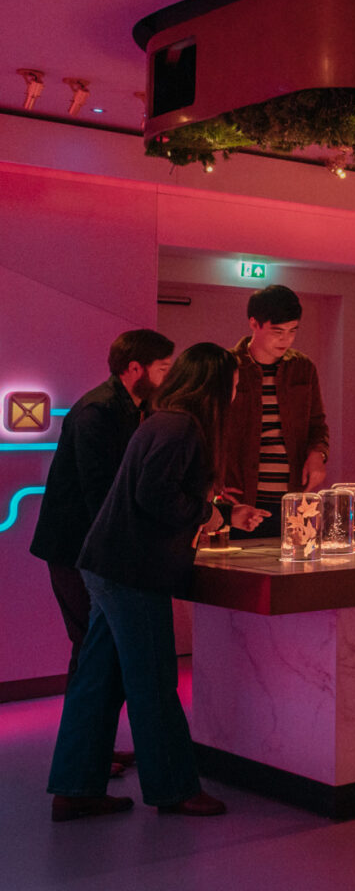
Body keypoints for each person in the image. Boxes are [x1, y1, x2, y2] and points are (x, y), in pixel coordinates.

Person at [47, 343, 265, 822]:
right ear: (214, 385)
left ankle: (75, 788)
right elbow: (155, 496)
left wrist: (221, 512)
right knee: (154, 682)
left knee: (98, 682)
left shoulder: (165, 420)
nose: (236, 392)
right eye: (233, 384)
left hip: (108, 563)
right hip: (132, 570)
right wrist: (206, 513)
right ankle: (174, 788)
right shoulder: (183, 427)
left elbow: (155, 490)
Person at [30, 329, 174, 777]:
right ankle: (86, 758)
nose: (168, 377)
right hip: (78, 550)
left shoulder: (126, 408)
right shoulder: (99, 411)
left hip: (88, 549)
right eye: (163, 368)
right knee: (91, 649)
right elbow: (101, 493)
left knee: (96, 650)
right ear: (135, 369)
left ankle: (94, 753)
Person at [221, 285, 330, 537]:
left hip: (294, 498)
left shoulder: (303, 368)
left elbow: (317, 424)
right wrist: (212, 483)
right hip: (242, 501)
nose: (286, 339)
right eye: (278, 331)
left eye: (293, 331)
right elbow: (208, 428)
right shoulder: (228, 366)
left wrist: (318, 454)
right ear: (254, 323)